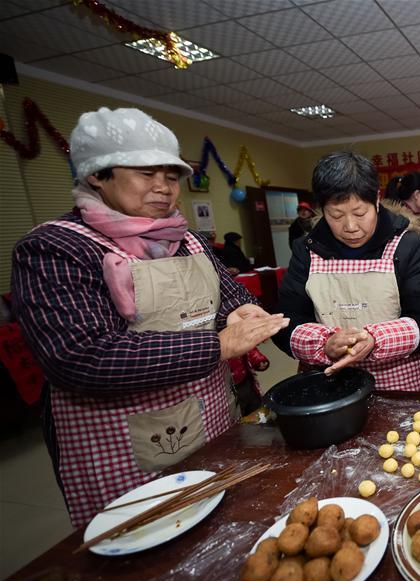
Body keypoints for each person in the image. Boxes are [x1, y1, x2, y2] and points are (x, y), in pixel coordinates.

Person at [10, 107, 288, 526]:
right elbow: (82, 357)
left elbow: (229, 297)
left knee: (223, 528)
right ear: (96, 176)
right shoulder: (56, 248)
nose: (163, 188)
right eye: (145, 173)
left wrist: (241, 309)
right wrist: (218, 344)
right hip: (121, 444)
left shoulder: (188, 240)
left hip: (211, 418)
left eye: (171, 176)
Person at [273, 151, 420, 391]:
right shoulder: (306, 250)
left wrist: (376, 339)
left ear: (376, 199)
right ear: (322, 208)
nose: (351, 227)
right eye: (336, 215)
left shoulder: (408, 245)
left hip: (401, 383)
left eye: (360, 213)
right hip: (331, 384)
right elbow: (287, 320)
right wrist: (325, 344)